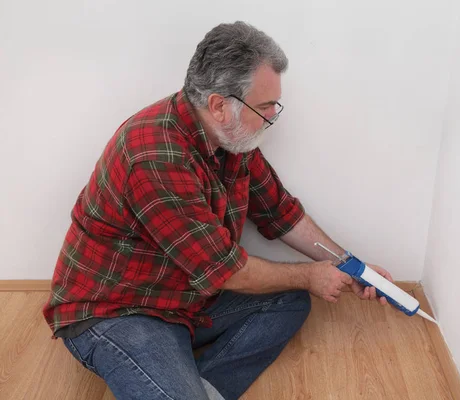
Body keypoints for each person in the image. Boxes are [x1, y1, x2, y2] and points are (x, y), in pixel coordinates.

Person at [43, 21, 392, 400]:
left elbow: (282, 214)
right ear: (218, 105)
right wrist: (311, 275)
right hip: (120, 310)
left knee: (289, 300)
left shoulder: (233, 139)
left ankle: (191, 384)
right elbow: (227, 271)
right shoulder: (154, 154)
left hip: (187, 297)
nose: (273, 115)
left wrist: (349, 264)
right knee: (297, 284)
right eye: (264, 106)